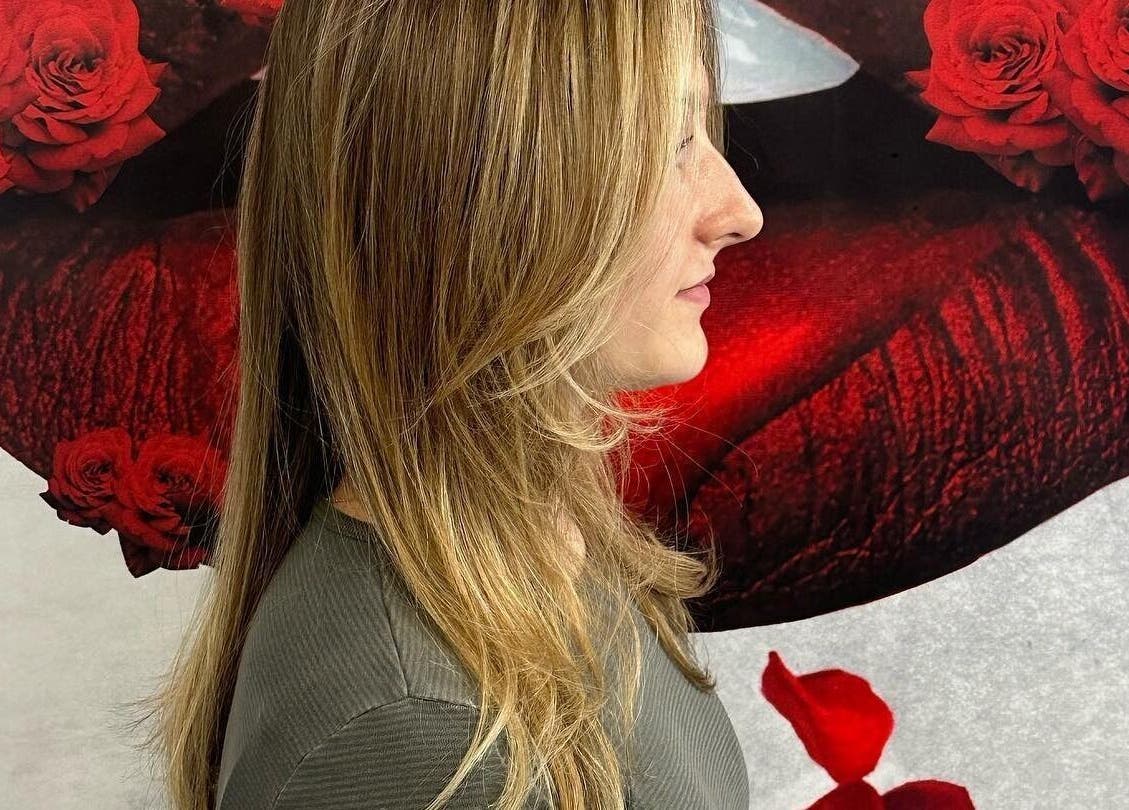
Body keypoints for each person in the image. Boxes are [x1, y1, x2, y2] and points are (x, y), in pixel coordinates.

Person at [135, 0, 762, 807]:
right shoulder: (425, 735)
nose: (737, 213)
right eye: (669, 143)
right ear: (474, 203)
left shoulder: (545, 557)